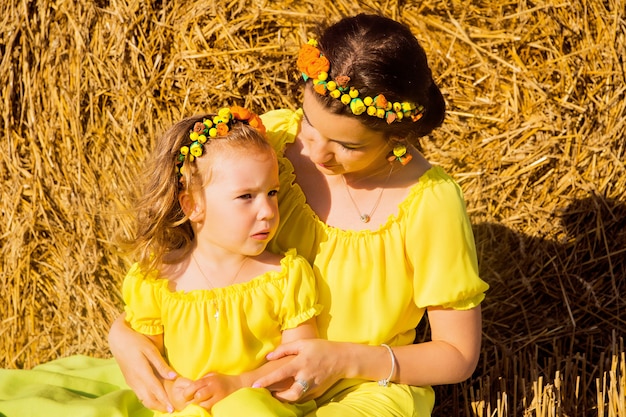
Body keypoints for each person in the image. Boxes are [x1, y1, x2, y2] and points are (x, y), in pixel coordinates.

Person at [109, 14, 489, 416]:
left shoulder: (430, 202)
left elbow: (458, 354)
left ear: (396, 136)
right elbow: (199, 251)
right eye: (309, 123)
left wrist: (342, 359)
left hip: (361, 391)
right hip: (243, 382)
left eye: (345, 145)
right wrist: (123, 335)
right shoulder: (275, 142)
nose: (318, 152)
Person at [119, 105, 321, 416]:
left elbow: (300, 361)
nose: (267, 210)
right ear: (193, 206)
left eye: (272, 193)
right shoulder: (159, 280)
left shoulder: (284, 277)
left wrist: (241, 383)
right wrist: (174, 389)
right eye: (246, 197)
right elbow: (147, 363)